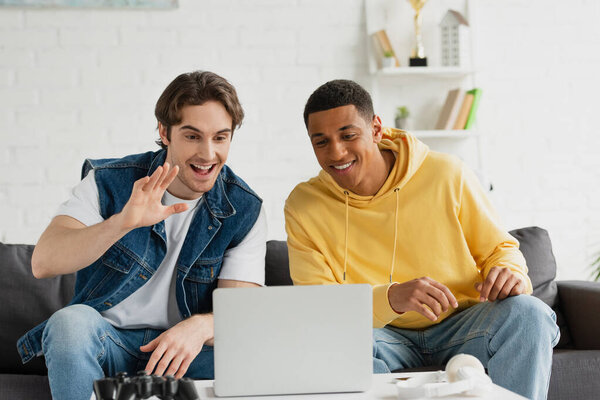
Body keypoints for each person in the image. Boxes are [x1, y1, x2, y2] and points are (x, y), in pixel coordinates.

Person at [284, 79, 560, 400]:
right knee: (335, 340)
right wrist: (391, 299)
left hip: (463, 324)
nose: (336, 152)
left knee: (529, 314)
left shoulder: (446, 173)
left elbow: (500, 250)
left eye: (348, 135)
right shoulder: (304, 204)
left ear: (376, 129)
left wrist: (509, 274)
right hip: (381, 337)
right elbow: (320, 307)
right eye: (321, 142)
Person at [17, 71, 266, 400]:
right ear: (165, 132)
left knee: (253, 358)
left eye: (220, 138)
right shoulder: (109, 182)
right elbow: (43, 262)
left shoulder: (243, 208)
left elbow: (238, 314)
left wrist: (203, 325)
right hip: (109, 343)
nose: (208, 154)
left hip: (184, 353)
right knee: (68, 325)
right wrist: (122, 222)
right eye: (192, 136)